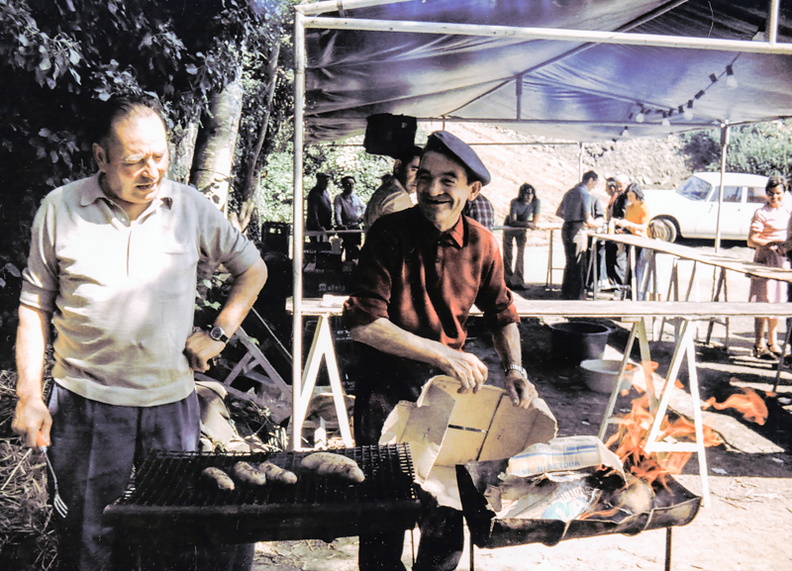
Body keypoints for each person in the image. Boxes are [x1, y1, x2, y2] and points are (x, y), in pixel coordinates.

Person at [11, 94, 269, 571]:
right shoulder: (60, 209)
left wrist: (218, 332)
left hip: (169, 407)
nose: (150, 171)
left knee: (170, 538)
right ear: (101, 158)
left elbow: (252, 270)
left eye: (159, 157)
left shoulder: (189, 207)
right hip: (86, 405)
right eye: (134, 161)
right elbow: (33, 306)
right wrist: (29, 395)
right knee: (87, 540)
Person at [343, 130, 537, 571]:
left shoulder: (483, 244)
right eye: (426, 177)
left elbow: (503, 313)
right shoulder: (389, 233)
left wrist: (516, 369)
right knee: (384, 519)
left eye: (448, 180)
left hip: (448, 398)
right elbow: (363, 324)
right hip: (385, 396)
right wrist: (443, 353)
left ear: (472, 190)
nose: (432, 190)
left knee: (445, 515)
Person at [750, 175, 790, 359]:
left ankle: (772, 342)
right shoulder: (761, 213)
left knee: (777, 301)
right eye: (771, 194)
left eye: (778, 194)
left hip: (781, 263)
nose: (775, 198)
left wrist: (785, 246)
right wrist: (768, 243)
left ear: (785, 193)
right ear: (766, 193)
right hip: (764, 261)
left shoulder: (787, 212)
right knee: (762, 303)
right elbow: (751, 240)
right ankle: (758, 344)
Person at [556, 170, 603, 300]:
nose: (594, 186)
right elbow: (588, 219)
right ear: (590, 180)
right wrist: (599, 224)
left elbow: (559, 212)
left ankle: (567, 292)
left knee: (569, 261)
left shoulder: (569, 193)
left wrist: (570, 215)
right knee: (578, 262)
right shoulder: (585, 195)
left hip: (566, 228)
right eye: (594, 183)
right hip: (577, 229)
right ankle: (577, 295)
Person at [363, 145, 422, 230]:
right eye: (414, 170)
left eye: (422, 173)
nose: (418, 178)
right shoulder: (397, 197)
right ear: (397, 166)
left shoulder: (386, 190)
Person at [614, 182, 651, 300]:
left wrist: (629, 224)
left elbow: (644, 226)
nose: (629, 199)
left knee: (640, 270)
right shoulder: (629, 208)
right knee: (630, 268)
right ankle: (630, 294)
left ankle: (640, 296)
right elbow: (628, 224)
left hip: (642, 241)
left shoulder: (644, 207)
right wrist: (623, 228)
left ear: (637, 195)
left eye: (631, 196)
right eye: (628, 196)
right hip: (631, 240)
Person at [503, 183, 540, 289]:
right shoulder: (514, 202)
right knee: (507, 253)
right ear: (521, 194)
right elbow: (513, 221)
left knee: (520, 254)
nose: (529, 196)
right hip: (510, 226)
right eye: (526, 193)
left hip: (523, 226)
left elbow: (534, 221)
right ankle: (507, 281)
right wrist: (527, 224)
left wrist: (527, 224)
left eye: (531, 193)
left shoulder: (536, 202)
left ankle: (518, 281)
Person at [605, 173, 630, 289]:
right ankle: (616, 284)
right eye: (617, 186)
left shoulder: (627, 198)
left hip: (623, 233)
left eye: (620, 186)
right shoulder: (619, 197)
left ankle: (621, 287)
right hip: (615, 231)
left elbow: (625, 217)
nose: (619, 189)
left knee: (620, 261)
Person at [334, 174, 365, 260]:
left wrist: (362, 215)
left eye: (352, 184)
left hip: (355, 227)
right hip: (345, 228)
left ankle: (353, 268)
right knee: (345, 248)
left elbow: (364, 207)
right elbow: (337, 212)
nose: (350, 186)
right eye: (348, 184)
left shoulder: (356, 197)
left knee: (355, 249)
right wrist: (340, 224)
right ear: (343, 186)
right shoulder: (339, 198)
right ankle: (344, 268)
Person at [306, 172, 333, 242]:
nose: (327, 184)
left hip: (326, 226)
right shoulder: (314, 193)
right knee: (317, 247)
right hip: (317, 228)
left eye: (327, 181)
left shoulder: (325, 192)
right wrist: (318, 226)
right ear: (319, 181)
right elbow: (312, 211)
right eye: (325, 181)